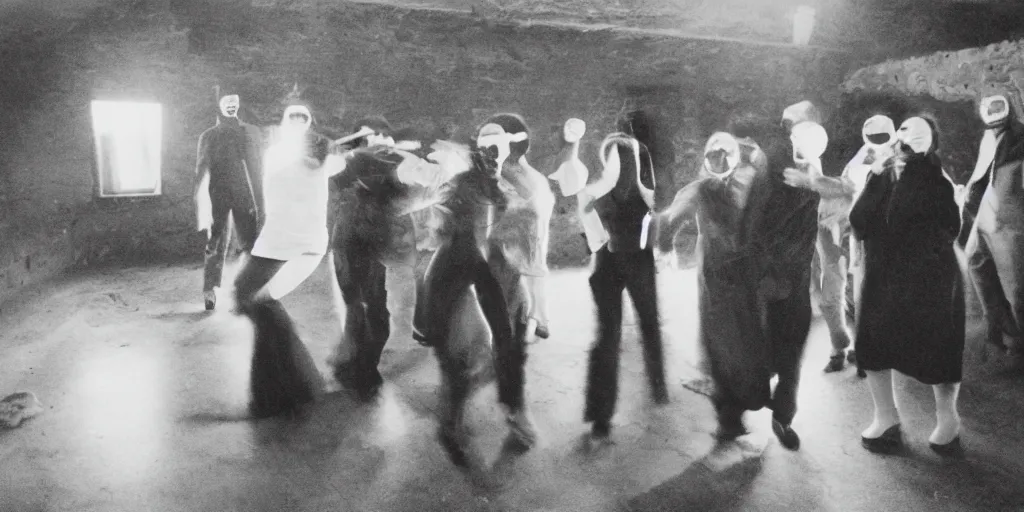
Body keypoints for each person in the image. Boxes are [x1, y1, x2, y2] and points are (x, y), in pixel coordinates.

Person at [851, 115, 966, 456]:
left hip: (929, 276)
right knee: (872, 342)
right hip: (882, 274)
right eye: (903, 129)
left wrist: (922, 256)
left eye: (919, 132)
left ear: (932, 142)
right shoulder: (881, 174)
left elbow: (950, 226)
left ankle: (948, 421)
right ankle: (886, 417)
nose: (907, 136)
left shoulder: (936, 176)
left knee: (938, 346)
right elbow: (858, 222)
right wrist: (874, 177)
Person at [232, 103, 346, 419]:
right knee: (252, 302)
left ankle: (288, 391)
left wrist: (377, 145)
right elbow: (282, 168)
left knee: (258, 304)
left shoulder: (322, 161)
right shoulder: (280, 156)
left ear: (308, 126)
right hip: (274, 242)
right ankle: (295, 388)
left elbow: (341, 158)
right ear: (285, 124)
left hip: (302, 247)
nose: (297, 124)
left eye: (303, 120)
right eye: (292, 119)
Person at [657, 131, 769, 443]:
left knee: (732, 337)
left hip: (733, 273)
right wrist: (666, 249)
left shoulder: (740, 183)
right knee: (730, 337)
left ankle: (733, 409)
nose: (719, 156)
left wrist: (666, 250)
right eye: (714, 151)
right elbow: (668, 223)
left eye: (724, 151)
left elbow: (667, 224)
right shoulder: (721, 185)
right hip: (728, 274)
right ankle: (732, 412)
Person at [783, 114, 899, 375]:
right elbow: (845, 184)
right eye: (796, 138)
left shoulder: (898, 161)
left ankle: (868, 349)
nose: (797, 143)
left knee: (866, 294)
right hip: (832, 229)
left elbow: (849, 186)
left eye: (803, 138)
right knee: (830, 296)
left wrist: (813, 182)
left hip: (866, 234)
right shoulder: (862, 156)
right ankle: (840, 345)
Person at [583, 128, 668, 444]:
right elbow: (588, 220)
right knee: (607, 336)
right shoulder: (597, 190)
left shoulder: (644, 190)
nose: (621, 167)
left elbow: (658, 212)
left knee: (649, 323)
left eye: (626, 159)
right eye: (614, 159)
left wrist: (658, 239)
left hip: (639, 262)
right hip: (607, 264)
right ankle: (601, 416)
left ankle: (657, 384)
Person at [960, 94, 1024, 359]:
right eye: (989, 107)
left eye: (998, 107)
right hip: (986, 217)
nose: (993, 112)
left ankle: (1019, 346)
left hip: (1009, 223)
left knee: (1016, 287)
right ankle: (998, 329)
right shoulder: (989, 137)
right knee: (976, 262)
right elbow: (983, 175)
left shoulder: (1021, 139)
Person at [194, 91, 263, 310]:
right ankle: (210, 290)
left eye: (234, 102)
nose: (231, 106)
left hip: (244, 193)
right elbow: (201, 169)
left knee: (250, 242)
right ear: (220, 107)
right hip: (218, 194)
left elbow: (258, 166)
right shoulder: (209, 136)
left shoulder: (249, 132)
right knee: (215, 241)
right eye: (227, 103)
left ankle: (247, 289)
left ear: (239, 105)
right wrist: (202, 201)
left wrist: (261, 200)